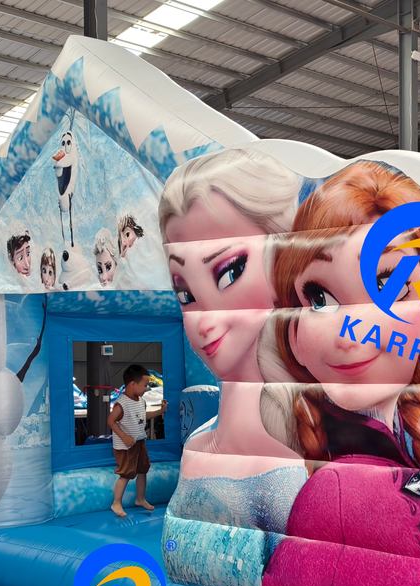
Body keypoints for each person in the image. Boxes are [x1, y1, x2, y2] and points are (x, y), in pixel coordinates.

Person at [258, 160, 420, 586]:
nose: (349, 334)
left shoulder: (396, 464)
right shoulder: (345, 488)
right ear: (292, 331)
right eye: (319, 298)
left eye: (390, 286)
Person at [159, 147, 303, 472]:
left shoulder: (314, 440)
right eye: (185, 293)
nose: (205, 322)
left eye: (230, 272)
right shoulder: (198, 444)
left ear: (280, 258)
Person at [108, 364, 165, 517]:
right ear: (132, 384)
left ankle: (140, 499)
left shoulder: (141, 401)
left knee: (142, 470)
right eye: (144, 385)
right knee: (126, 474)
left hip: (139, 442)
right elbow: (111, 421)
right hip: (125, 446)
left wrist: (160, 411)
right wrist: (124, 436)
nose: (146, 388)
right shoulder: (122, 403)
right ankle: (116, 503)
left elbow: (143, 416)